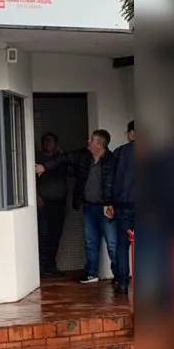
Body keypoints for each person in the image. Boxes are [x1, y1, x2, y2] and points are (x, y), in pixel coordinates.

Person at [36, 129, 117, 284]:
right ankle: (91, 273)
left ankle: (119, 277)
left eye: (91, 140)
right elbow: (64, 158)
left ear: (99, 145)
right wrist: (45, 167)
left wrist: (112, 203)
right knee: (90, 242)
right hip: (89, 207)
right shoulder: (83, 155)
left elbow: (116, 184)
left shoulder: (112, 161)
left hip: (106, 208)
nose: (88, 141)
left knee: (112, 243)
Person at [105, 120, 135, 294]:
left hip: (123, 206)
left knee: (123, 245)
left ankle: (123, 282)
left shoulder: (120, 152)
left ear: (132, 133)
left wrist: (108, 202)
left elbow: (110, 179)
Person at [35, 132, 68, 277]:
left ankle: (51, 265)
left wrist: (62, 153)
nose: (48, 143)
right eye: (46, 141)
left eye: (52, 141)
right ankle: (43, 266)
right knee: (43, 234)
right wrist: (36, 196)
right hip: (44, 202)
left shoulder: (60, 159)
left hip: (59, 202)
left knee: (55, 235)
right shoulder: (37, 158)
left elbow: (72, 171)